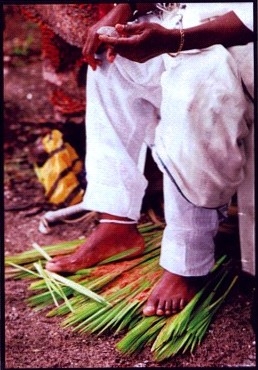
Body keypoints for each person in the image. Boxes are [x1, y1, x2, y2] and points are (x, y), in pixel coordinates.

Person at [46, 3, 254, 317]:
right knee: (110, 61)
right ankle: (116, 222)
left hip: (239, 39)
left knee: (197, 88)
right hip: (185, 21)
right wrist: (126, 8)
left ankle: (187, 263)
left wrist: (175, 40)